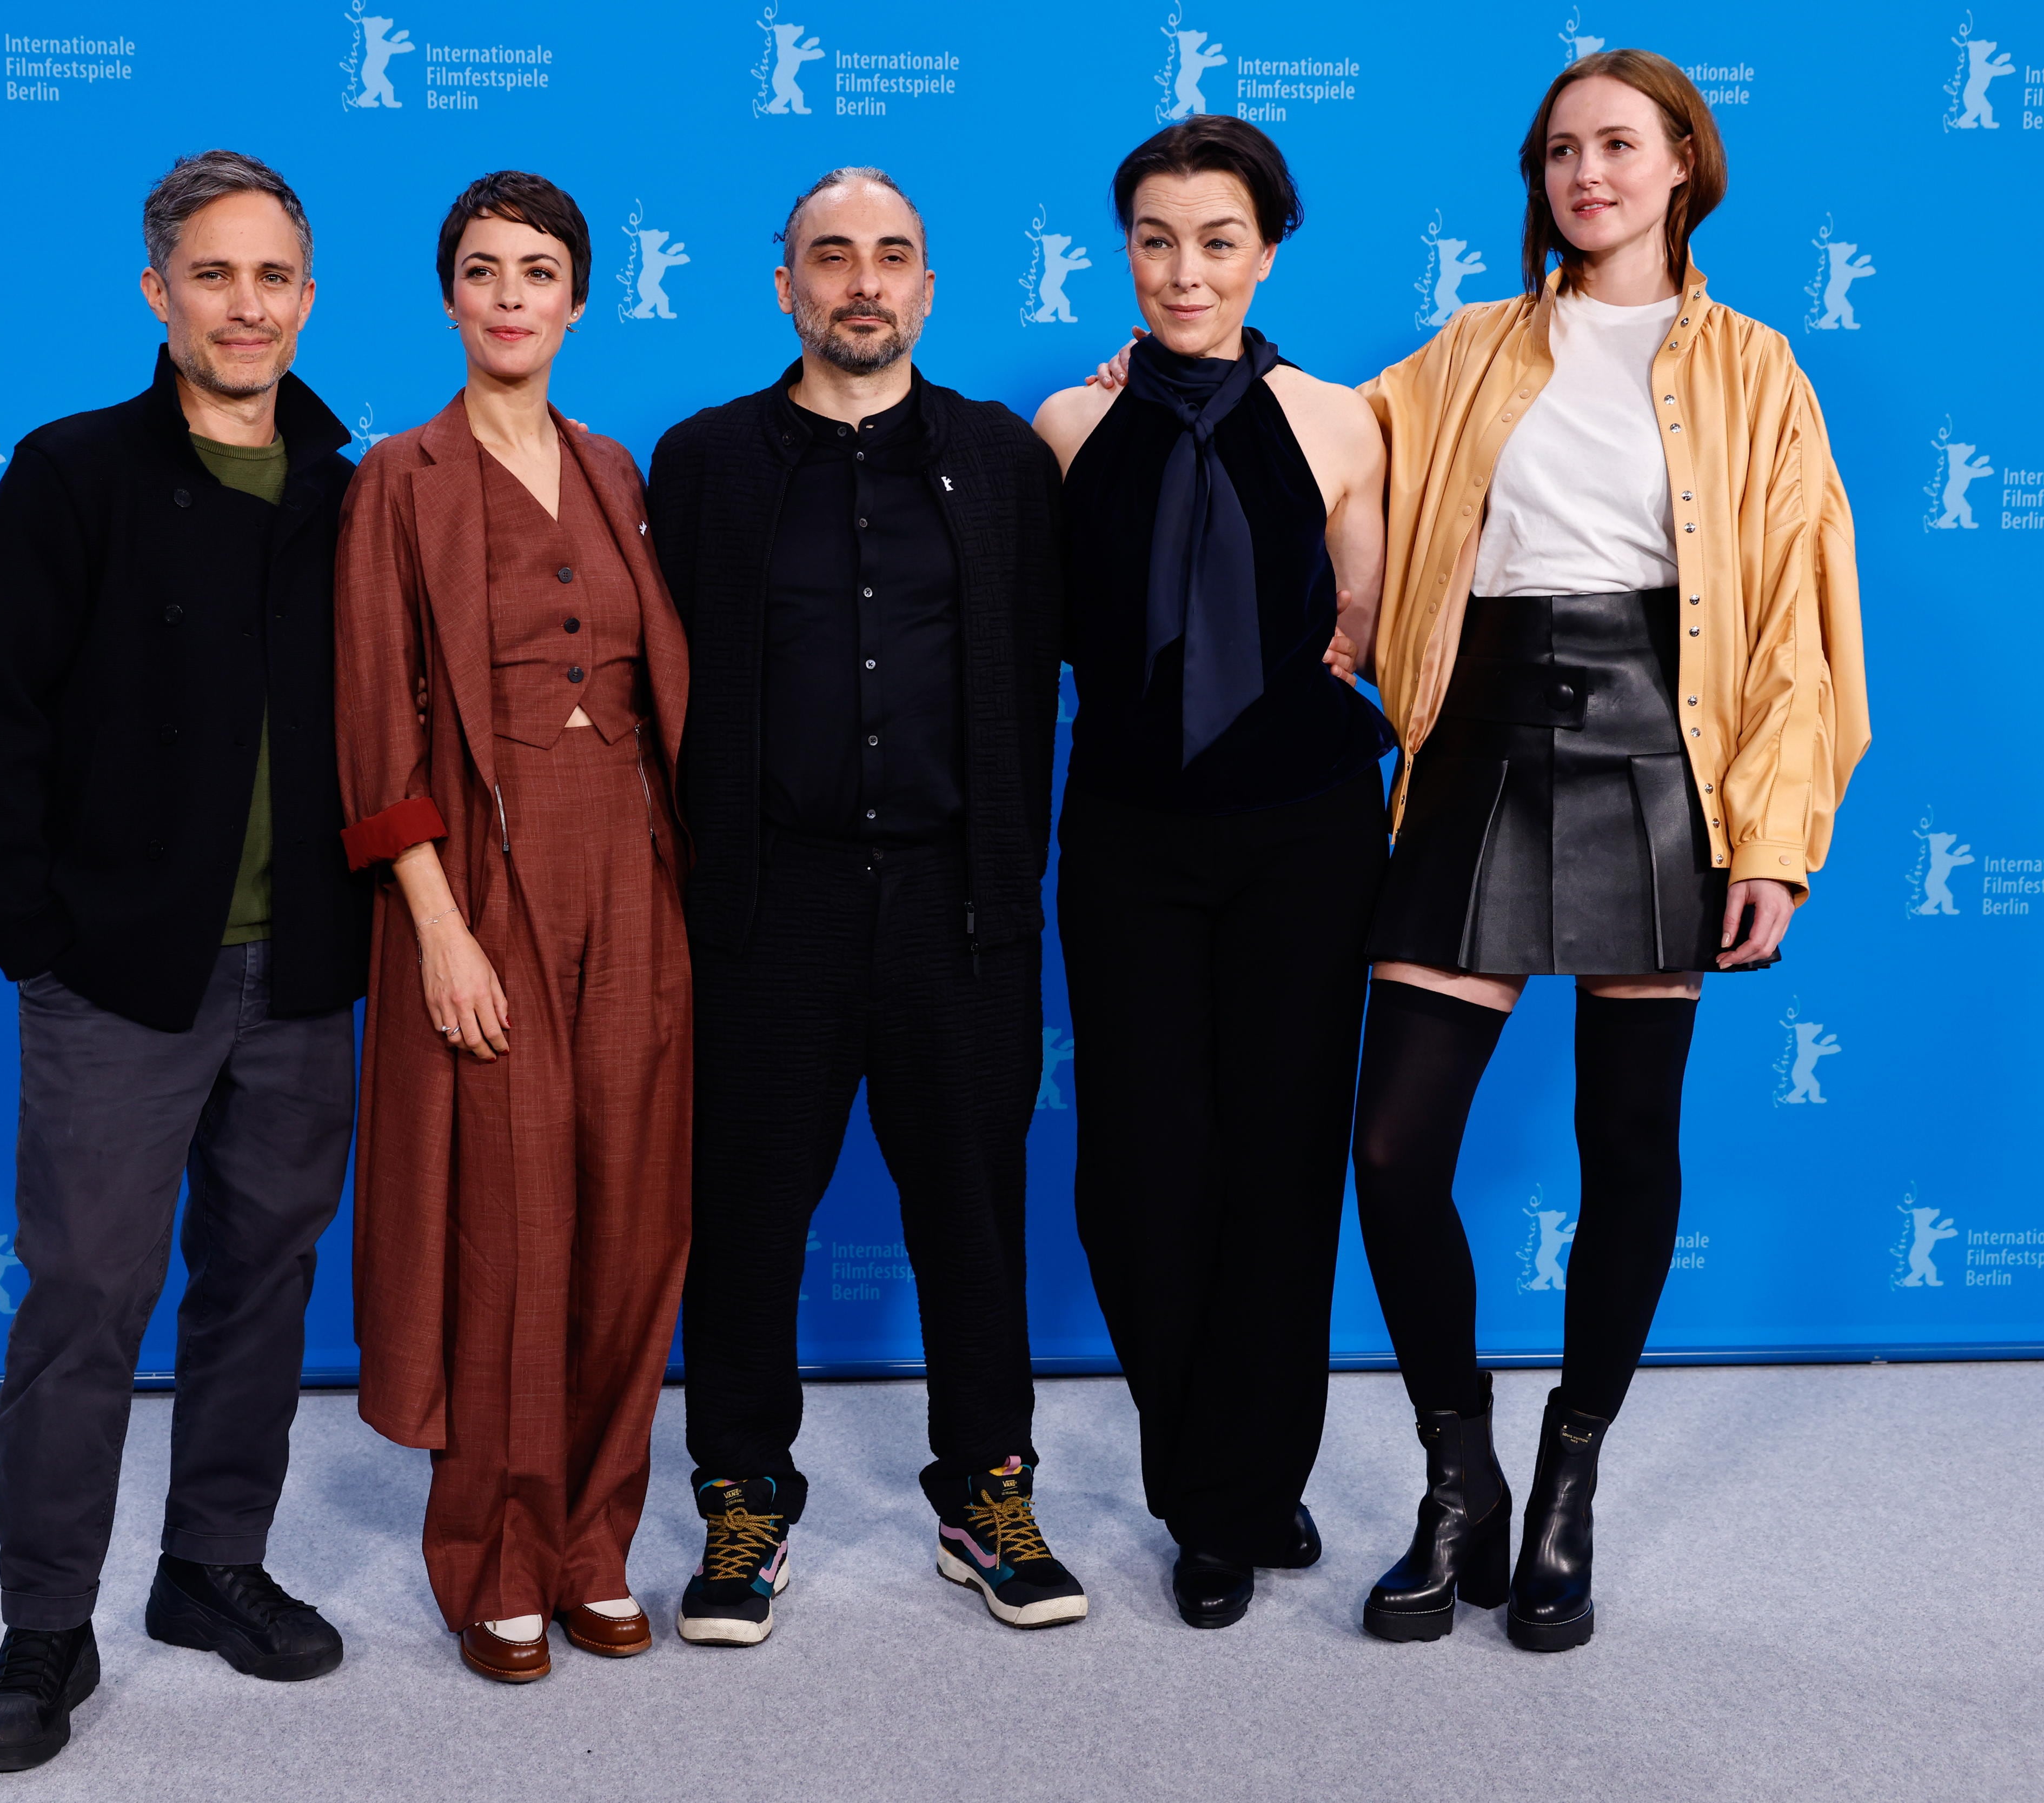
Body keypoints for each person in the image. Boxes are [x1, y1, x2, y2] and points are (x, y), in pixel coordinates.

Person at [1350, 50, 1868, 1652]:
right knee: (1391, 1152)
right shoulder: (1469, 352)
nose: (1588, 173)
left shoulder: (1759, 369)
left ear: (1683, 168)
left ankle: (1572, 1471)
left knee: (1628, 1145)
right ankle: (1460, 1478)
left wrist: (1774, 840)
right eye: (1563, 151)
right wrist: (1162, 376)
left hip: (1666, 749)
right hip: (1482, 741)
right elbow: (1328, 456)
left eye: (1619, 146)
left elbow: (1798, 617)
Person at [0, 150, 364, 1773]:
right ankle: (46, 1627)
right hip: (120, 977)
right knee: (88, 1300)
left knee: (263, 1285)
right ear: (157, 293)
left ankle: (211, 1569)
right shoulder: (73, 476)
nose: (244, 306)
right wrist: (35, 937)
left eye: (272, 279)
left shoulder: (353, 484)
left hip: (304, 972)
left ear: (306, 299)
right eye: (213, 276)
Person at [648, 167, 1076, 1645]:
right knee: (748, 1212)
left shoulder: (1006, 463)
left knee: (973, 1210)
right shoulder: (702, 464)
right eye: (832, 257)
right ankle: (743, 1495)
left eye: (892, 255)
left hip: (962, 906)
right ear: (785, 286)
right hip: (772, 906)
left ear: (930, 287)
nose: (862, 281)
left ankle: (986, 1489)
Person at [1032, 116, 1394, 1631]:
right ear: (1127, 251)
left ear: (1269, 248)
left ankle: (1236, 1497)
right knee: (1137, 1172)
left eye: (1220, 240)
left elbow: (1363, 617)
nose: (1187, 270)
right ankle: (1208, 1470)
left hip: (1304, 827)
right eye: (1158, 240)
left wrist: (1362, 622)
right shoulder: (1062, 423)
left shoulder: (1343, 421)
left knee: (1281, 1160)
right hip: (1127, 829)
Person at [333, 170, 693, 1685]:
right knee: (511, 1232)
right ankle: (492, 1551)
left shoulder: (616, 469)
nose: (508, 295)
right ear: (447, 297)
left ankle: (597, 1542)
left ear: (578, 299)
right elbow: (372, 721)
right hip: (480, 877)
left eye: (537, 271)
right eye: (480, 270)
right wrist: (436, 928)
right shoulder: (396, 480)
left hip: (639, 870)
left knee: (629, 1226)